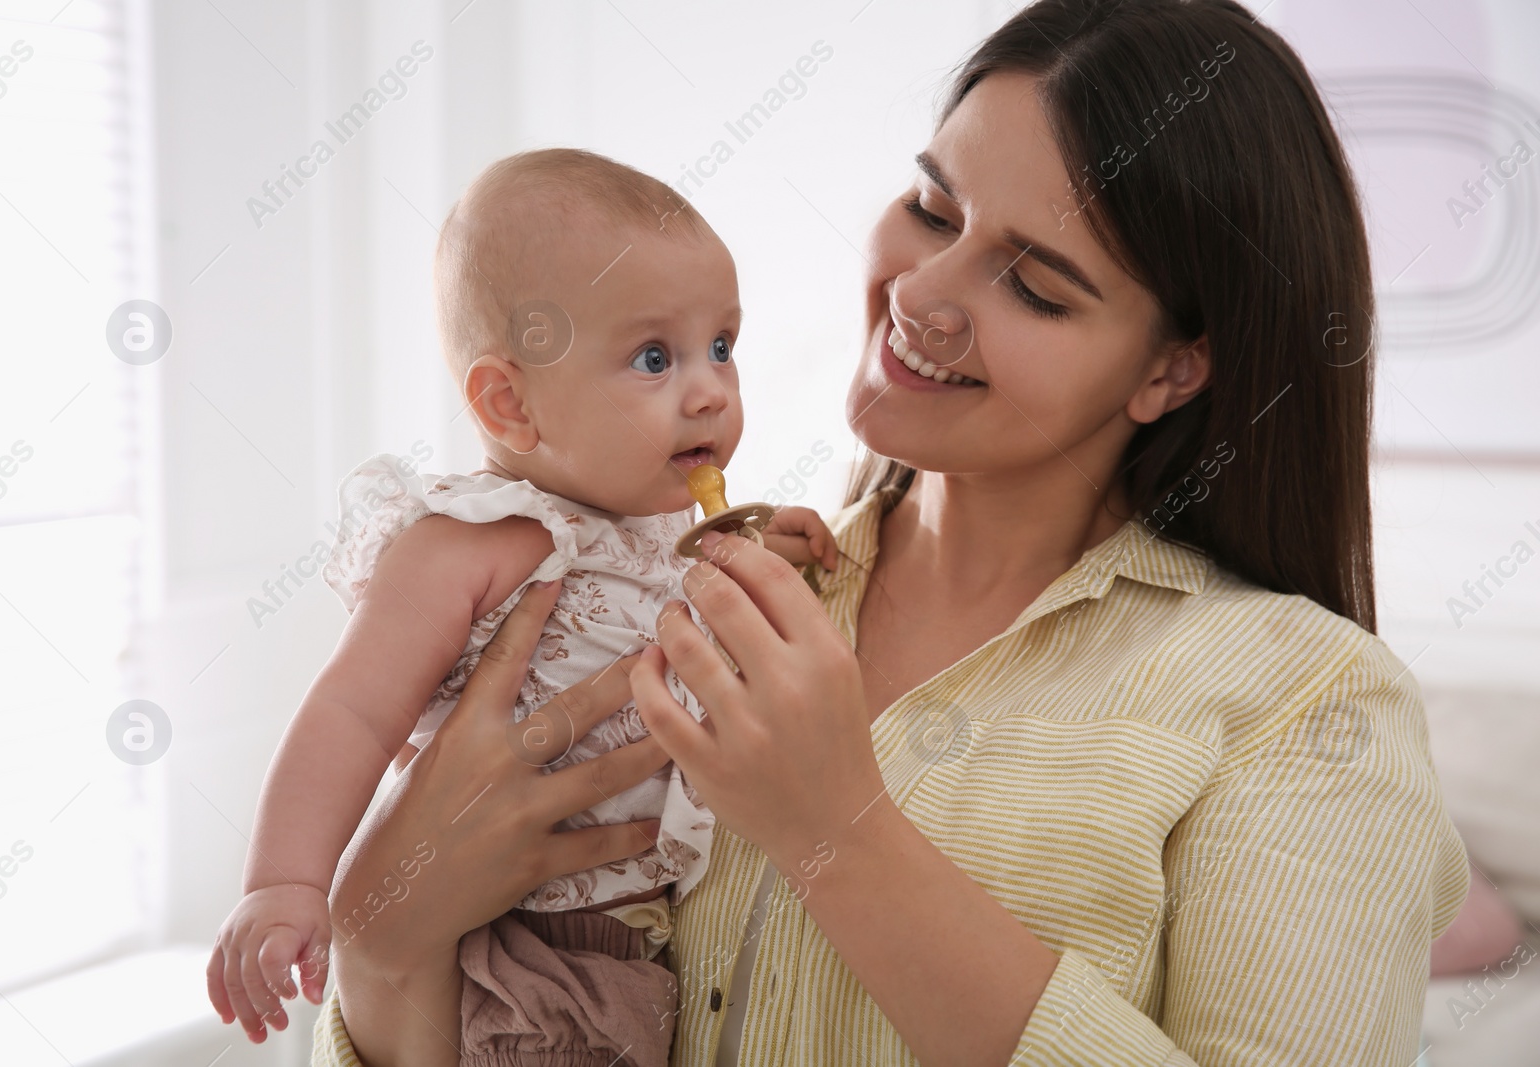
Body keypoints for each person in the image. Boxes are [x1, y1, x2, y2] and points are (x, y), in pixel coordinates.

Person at [308, 1, 1472, 1064]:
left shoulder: (1308, 704)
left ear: (1170, 367)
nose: (922, 292)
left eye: (1035, 284)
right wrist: (379, 938)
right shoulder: (690, 586)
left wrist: (836, 830)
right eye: (933, 208)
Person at [204, 148, 837, 1067]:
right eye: (654, 357)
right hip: (524, 953)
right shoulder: (471, 541)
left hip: (655, 939)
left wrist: (763, 548)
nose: (710, 389)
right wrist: (286, 882)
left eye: (723, 346)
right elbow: (349, 711)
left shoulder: (661, 526)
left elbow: (700, 614)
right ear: (511, 404)